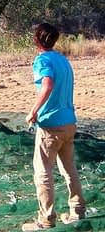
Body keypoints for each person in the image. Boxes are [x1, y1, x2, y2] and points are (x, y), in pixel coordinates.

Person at [22, 23, 86, 231]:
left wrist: (33, 111)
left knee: (43, 172)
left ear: (37, 40)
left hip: (51, 125)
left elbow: (47, 85)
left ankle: (46, 219)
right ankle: (77, 211)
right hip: (69, 122)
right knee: (69, 169)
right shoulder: (63, 60)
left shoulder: (43, 60)